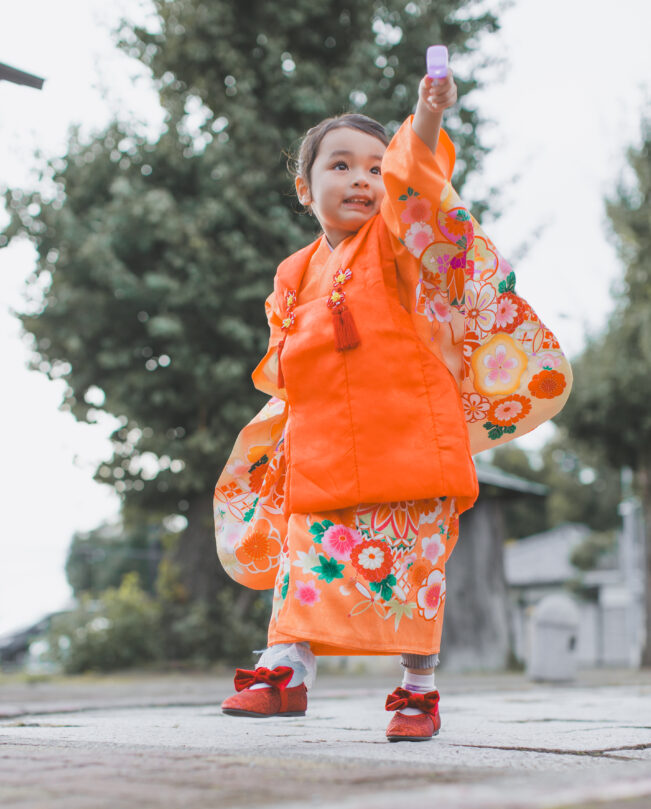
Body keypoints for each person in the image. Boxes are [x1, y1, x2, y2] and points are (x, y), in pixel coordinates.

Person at [213, 65, 571, 741]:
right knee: (304, 563)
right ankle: (285, 672)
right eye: (339, 165)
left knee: (412, 571)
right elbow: (283, 364)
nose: (360, 180)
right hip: (322, 449)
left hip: (409, 439)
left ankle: (417, 691)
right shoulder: (294, 272)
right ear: (303, 186)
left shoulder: (398, 243)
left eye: (374, 169)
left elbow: (416, 182)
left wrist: (426, 118)